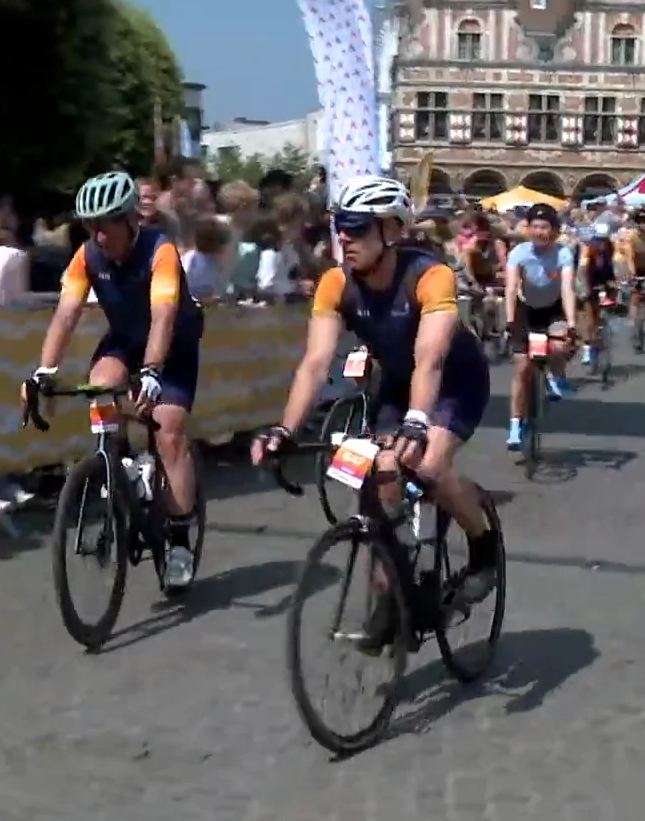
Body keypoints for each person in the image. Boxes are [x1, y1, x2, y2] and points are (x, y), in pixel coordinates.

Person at [250, 175, 498, 651]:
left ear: (392, 231)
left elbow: (431, 357)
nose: (344, 236)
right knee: (376, 482)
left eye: (358, 227)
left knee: (426, 466)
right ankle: (392, 594)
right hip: (397, 385)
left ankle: (483, 544)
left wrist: (418, 421)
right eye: (340, 225)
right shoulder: (335, 284)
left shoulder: (429, 276)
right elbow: (315, 364)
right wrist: (285, 429)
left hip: (454, 382)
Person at [23, 171, 203, 589]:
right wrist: (43, 371)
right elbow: (66, 314)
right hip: (125, 340)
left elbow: (164, 317)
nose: (97, 234)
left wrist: (153, 373)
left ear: (129, 221)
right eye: (90, 225)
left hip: (172, 346)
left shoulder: (160, 251)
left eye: (105, 224)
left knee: (169, 432)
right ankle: (117, 460)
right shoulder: (87, 255)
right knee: (99, 384)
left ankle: (178, 541)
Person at [502, 204, 578, 451]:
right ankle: (515, 425)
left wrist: (572, 323)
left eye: (544, 227)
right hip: (526, 310)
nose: (539, 231)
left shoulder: (563, 253)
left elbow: (567, 289)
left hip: (553, 308)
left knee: (558, 346)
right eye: (534, 226)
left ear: (554, 230)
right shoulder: (519, 253)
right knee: (522, 368)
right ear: (528, 229)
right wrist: (510, 320)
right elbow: (511, 288)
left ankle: (555, 374)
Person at [578, 220, 619, 362]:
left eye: (604, 240)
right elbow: (582, 270)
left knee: (614, 292)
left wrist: (615, 281)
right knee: (589, 318)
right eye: (599, 240)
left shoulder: (610, 247)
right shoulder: (587, 248)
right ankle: (587, 348)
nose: (601, 244)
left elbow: (612, 265)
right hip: (588, 278)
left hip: (603, 275)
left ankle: (606, 320)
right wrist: (586, 288)